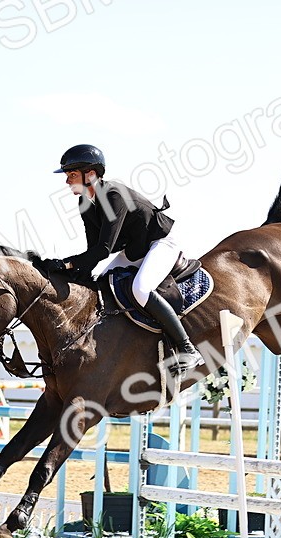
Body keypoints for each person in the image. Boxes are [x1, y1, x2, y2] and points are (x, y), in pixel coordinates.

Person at [43, 143, 205, 376]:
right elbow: (93, 249)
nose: (67, 181)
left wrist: (66, 263)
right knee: (100, 284)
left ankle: (188, 348)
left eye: (72, 175)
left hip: (160, 241)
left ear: (91, 174)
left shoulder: (112, 196)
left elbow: (104, 249)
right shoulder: (85, 203)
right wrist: (72, 273)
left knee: (141, 289)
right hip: (135, 249)